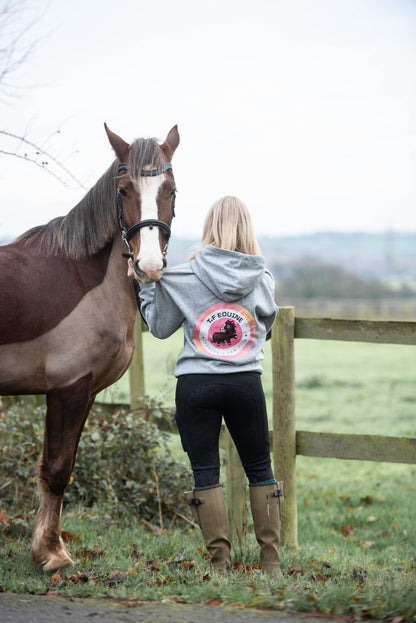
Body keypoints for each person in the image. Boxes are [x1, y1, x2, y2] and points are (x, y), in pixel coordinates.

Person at [129, 196, 283, 576]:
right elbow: (264, 329)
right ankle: (272, 564)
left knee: (205, 473)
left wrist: (146, 286)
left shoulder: (182, 275)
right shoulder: (263, 278)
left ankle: (220, 565)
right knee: (261, 469)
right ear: (248, 228)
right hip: (245, 383)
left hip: (195, 384)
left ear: (208, 228)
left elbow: (160, 326)